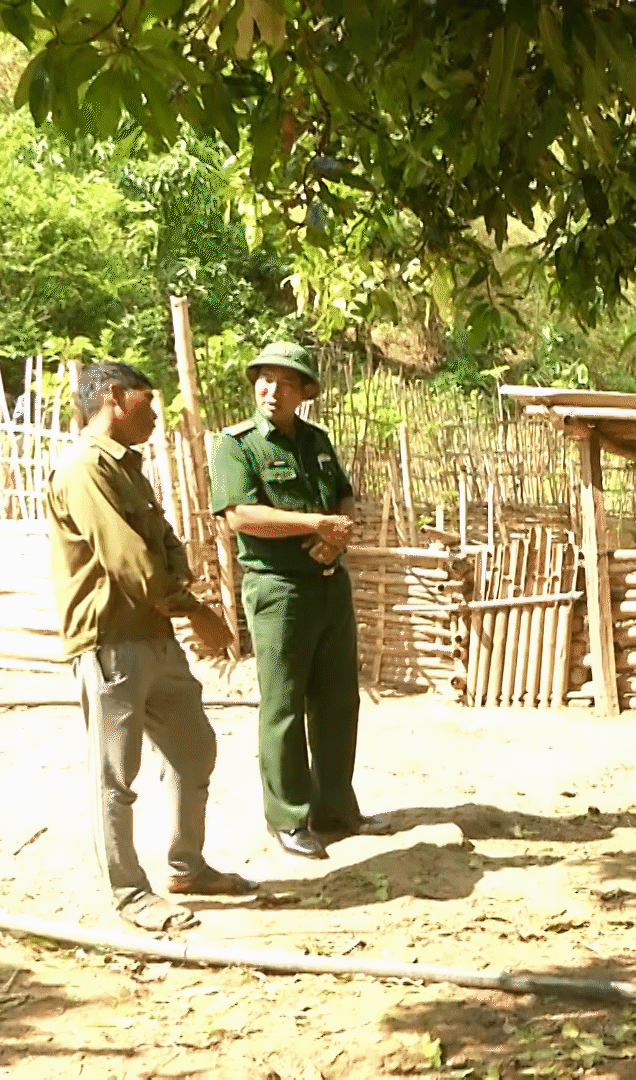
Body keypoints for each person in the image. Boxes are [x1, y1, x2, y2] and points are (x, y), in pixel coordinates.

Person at [47, 362, 255, 932]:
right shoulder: (86, 470)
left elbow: (163, 546)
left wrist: (180, 596)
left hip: (153, 636)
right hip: (110, 643)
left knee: (193, 750)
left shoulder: (127, 469)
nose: (157, 413)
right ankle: (129, 895)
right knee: (115, 778)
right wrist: (197, 610)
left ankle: (186, 867)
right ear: (113, 397)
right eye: (147, 400)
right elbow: (131, 562)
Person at [209, 342, 394, 860]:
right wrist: (315, 525)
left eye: (286, 383)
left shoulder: (316, 440)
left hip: (331, 584)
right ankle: (288, 817)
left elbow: (344, 495)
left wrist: (337, 534)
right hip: (279, 589)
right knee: (284, 706)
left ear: (304, 393)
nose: (272, 391)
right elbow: (239, 516)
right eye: (264, 380)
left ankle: (336, 808)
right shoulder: (237, 445)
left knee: (339, 701)